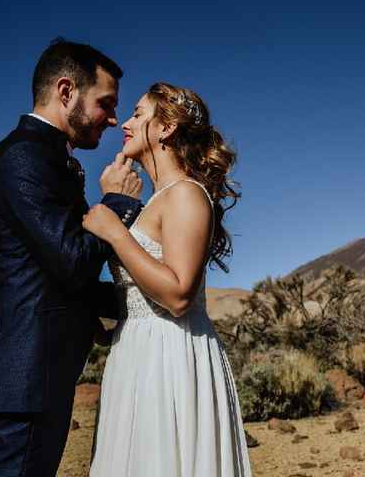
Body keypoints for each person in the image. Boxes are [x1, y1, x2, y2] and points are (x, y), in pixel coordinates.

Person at [0, 39, 143, 476]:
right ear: (66, 91)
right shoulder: (23, 159)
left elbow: (52, 275)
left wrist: (150, 303)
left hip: (31, 382)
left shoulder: (45, 158)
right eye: (106, 103)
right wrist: (117, 204)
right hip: (18, 384)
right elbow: (73, 261)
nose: (113, 119)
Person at [84, 82, 252, 476]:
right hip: (137, 355)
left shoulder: (186, 194)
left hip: (171, 358)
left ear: (165, 129)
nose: (125, 123)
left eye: (138, 114)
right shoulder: (155, 202)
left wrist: (115, 233)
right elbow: (140, 289)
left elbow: (178, 295)